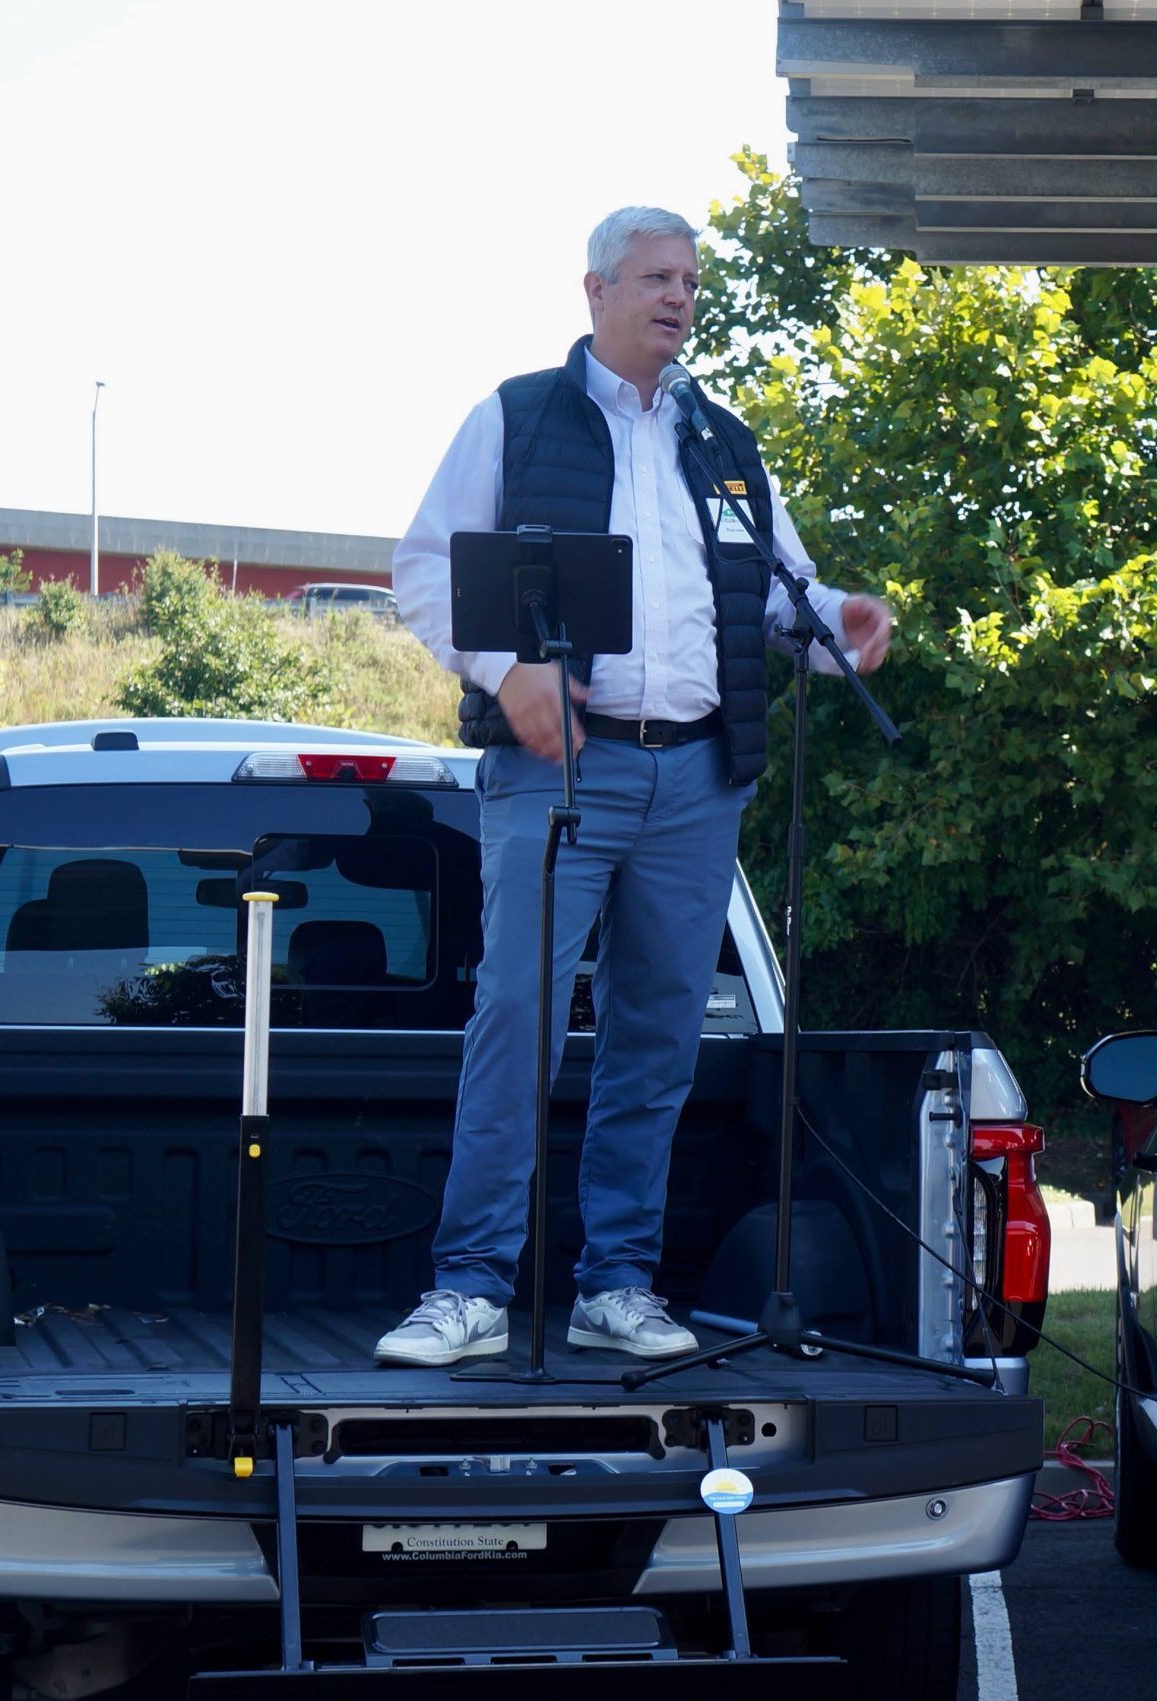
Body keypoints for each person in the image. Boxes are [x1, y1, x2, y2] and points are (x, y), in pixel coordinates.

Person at [378, 206, 894, 1364]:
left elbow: (779, 599)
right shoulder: (517, 418)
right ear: (595, 291)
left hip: (698, 778)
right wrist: (506, 671)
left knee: (656, 1037)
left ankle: (617, 1285)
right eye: (656, 278)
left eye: (691, 284)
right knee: (517, 1022)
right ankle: (466, 1289)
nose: (678, 299)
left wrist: (841, 626)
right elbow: (418, 570)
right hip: (563, 764)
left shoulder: (721, 439)